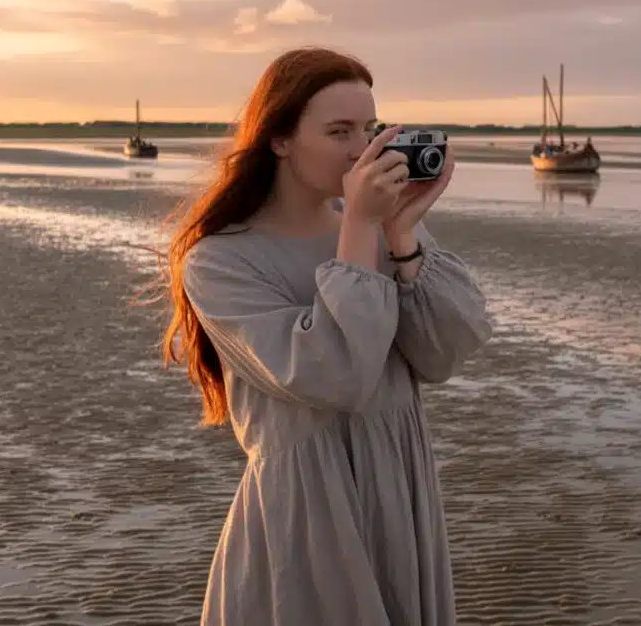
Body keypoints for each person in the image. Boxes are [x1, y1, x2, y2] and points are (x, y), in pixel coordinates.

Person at [160, 46, 494, 625]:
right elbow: (335, 376)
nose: (362, 150)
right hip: (309, 509)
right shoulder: (220, 263)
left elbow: (443, 353)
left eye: (369, 129)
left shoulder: (380, 224)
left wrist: (402, 233)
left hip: (399, 485)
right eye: (339, 131)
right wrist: (362, 228)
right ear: (280, 139)